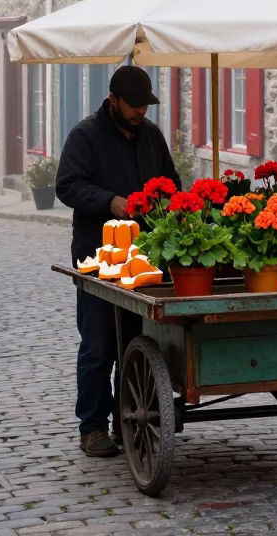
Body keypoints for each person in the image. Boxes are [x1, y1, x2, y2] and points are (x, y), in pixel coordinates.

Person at [56, 65, 181, 458]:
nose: (141, 111)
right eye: (134, 104)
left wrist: (169, 200)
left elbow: (171, 181)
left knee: (136, 338)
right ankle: (92, 427)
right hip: (98, 255)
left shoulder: (151, 135)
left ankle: (126, 416)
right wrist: (110, 201)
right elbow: (67, 185)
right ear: (113, 99)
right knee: (99, 343)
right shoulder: (85, 135)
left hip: (144, 255)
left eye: (145, 104)